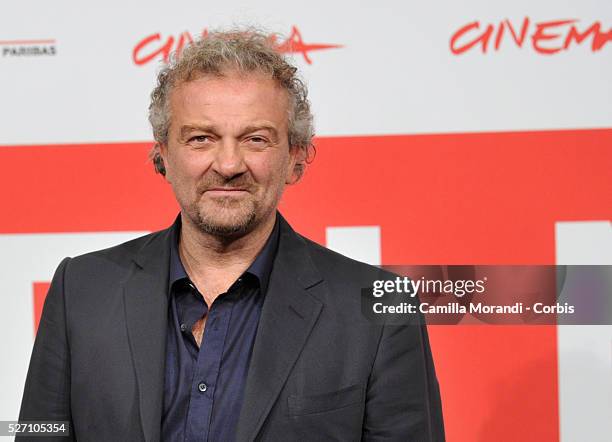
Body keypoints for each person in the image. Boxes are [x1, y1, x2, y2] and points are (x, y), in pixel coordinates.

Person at [18, 29, 444, 441]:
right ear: (162, 154)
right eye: (201, 138)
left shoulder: (378, 309)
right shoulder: (82, 291)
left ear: (296, 157)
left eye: (255, 139)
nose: (228, 163)